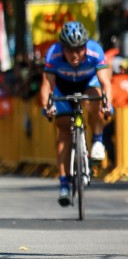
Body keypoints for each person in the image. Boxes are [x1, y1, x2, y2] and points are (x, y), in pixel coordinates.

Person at [38, 21, 113, 206]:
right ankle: (64, 184)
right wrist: (47, 106)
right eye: (70, 50)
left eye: (79, 49)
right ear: (62, 48)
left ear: (86, 46)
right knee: (63, 130)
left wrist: (107, 104)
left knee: (93, 101)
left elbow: (106, 83)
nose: (75, 55)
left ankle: (97, 140)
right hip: (63, 87)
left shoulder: (95, 51)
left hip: (88, 83)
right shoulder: (53, 54)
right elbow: (47, 85)